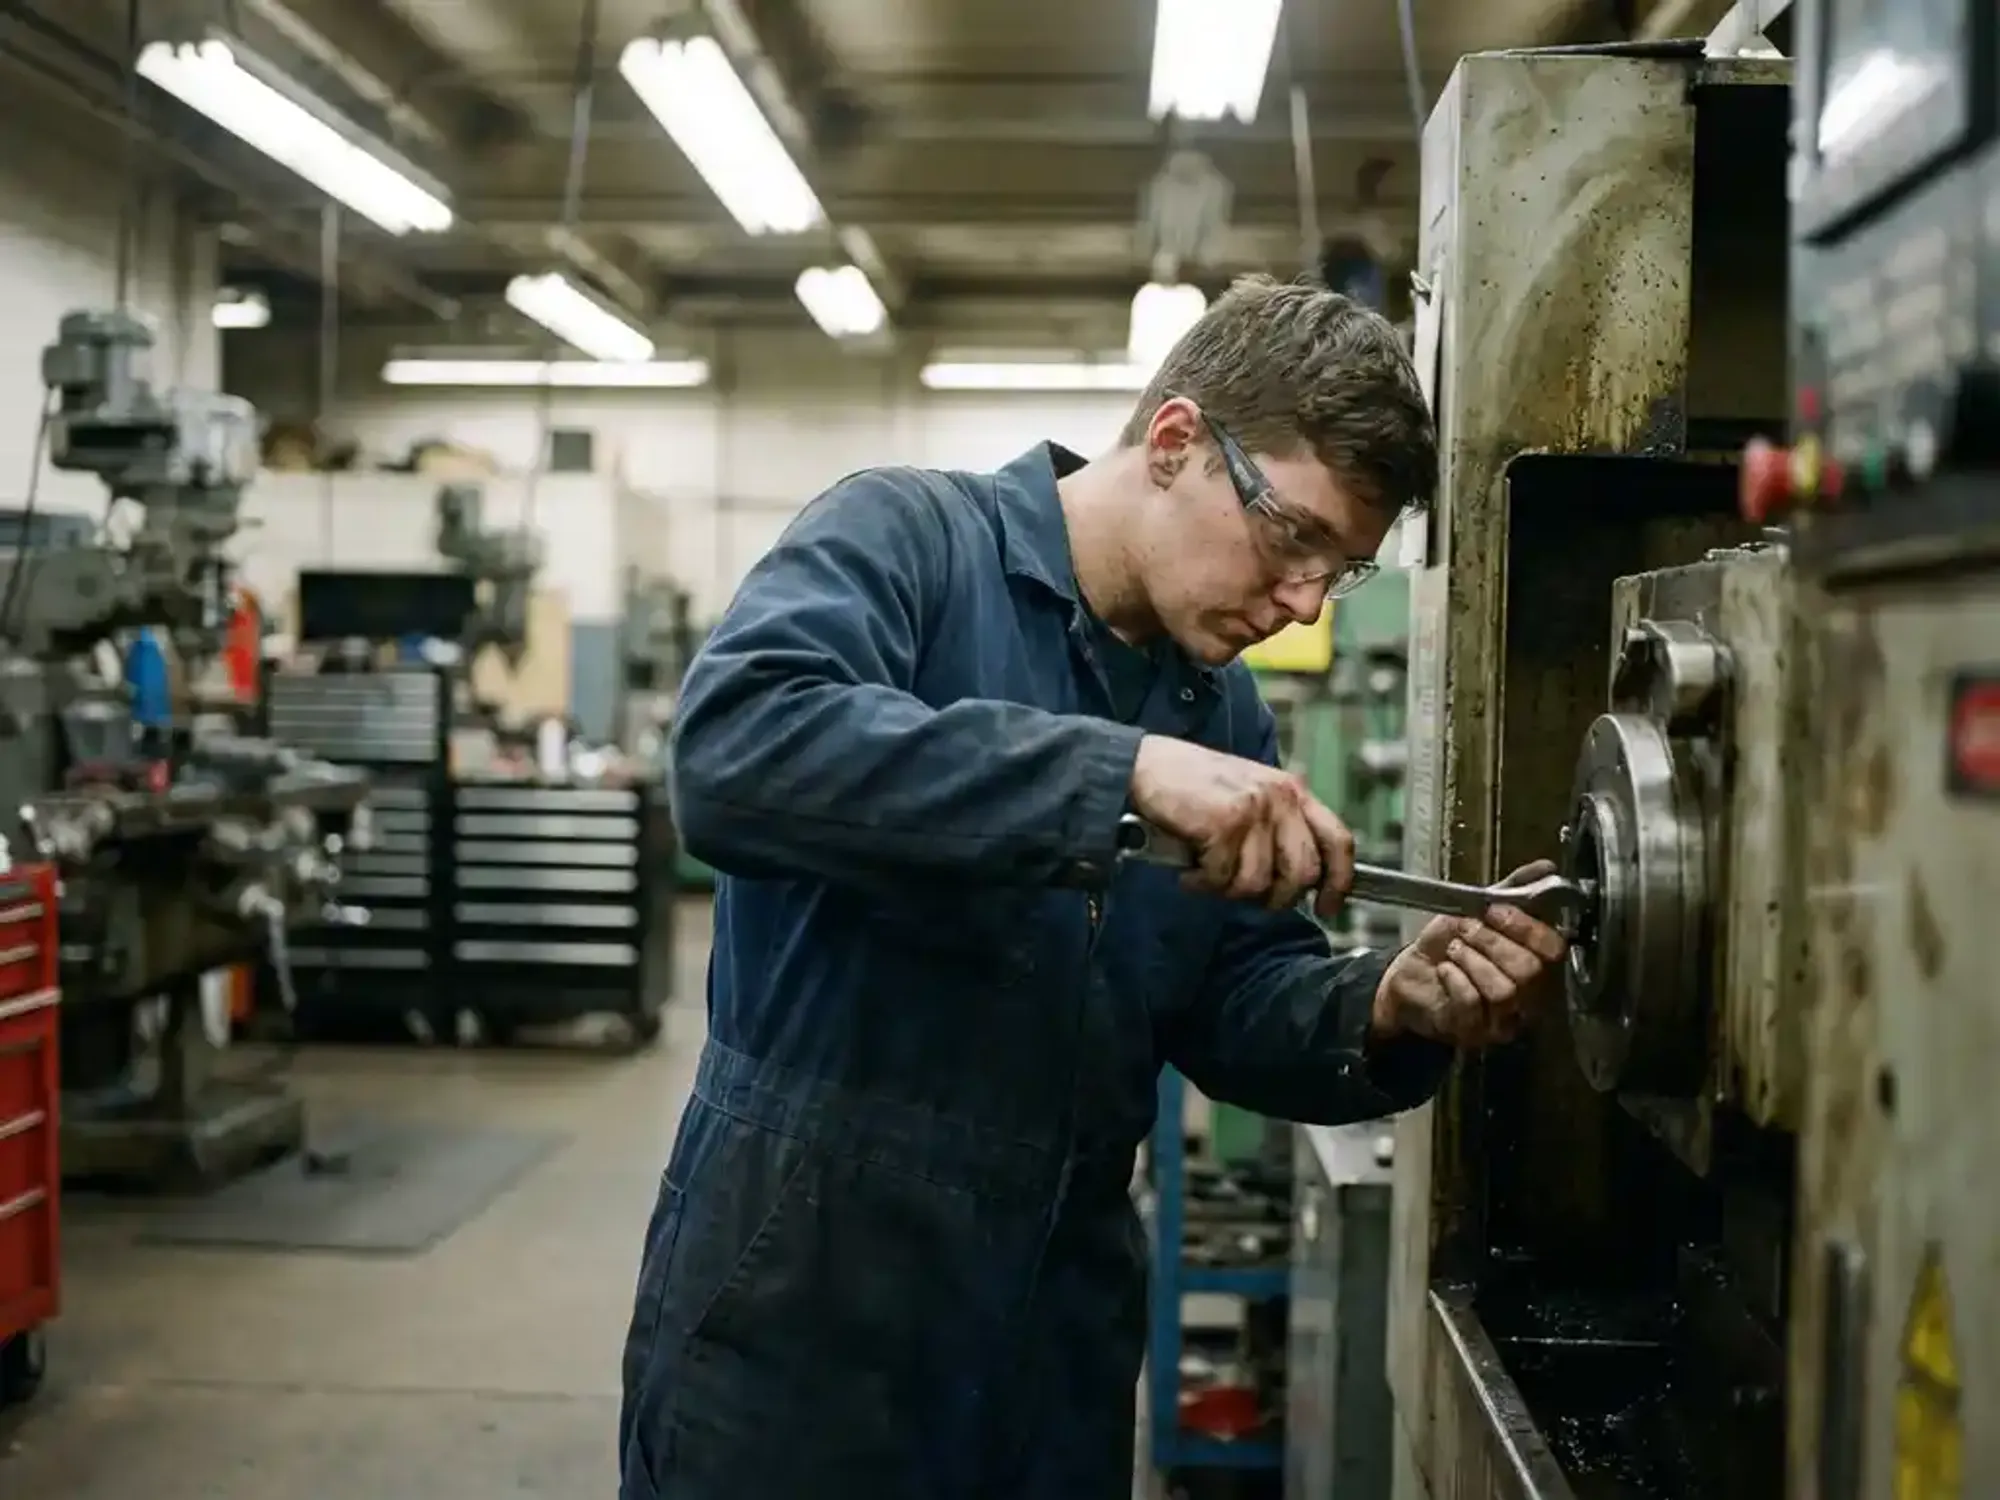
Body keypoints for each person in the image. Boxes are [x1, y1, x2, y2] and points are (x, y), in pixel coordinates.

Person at [618, 274, 1568, 1500]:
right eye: (1292, 542)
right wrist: (1114, 773)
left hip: (1049, 1351)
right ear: (1174, 442)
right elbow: (733, 755)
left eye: (1337, 575)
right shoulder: (907, 543)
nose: (1298, 606)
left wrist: (1386, 1006)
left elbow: (1229, 992)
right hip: (806, 1316)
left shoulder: (1217, 707)